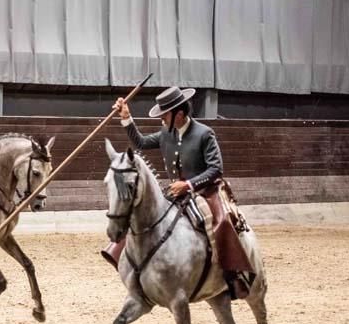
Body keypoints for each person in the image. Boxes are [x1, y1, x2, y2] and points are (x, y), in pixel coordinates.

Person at [104, 86, 255, 299]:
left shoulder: (204, 134)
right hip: (176, 193)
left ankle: (234, 274)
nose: (162, 119)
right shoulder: (167, 133)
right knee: (141, 215)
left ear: (180, 114)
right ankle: (122, 255)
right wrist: (127, 118)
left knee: (221, 221)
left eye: (164, 115)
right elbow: (140, 143)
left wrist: (189, 185)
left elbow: (216, 168)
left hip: (205, 191)